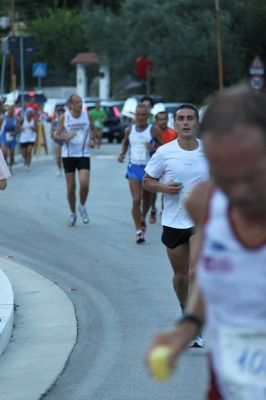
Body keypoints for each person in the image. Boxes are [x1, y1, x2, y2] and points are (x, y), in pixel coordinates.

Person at [146, 88, 266, 399]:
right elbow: (207, 278)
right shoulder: (204, 202)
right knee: (189, 272)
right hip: (227, 364)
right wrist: (187, 327)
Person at [143, 104, 209, 346]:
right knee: (180, 276)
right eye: (181, 119)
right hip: (173, 221)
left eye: (190, 119)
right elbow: (147, 181)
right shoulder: (164, 152)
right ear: (175, 123)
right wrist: (163, 188)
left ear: (196, 123)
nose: (185, 123)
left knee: (194, 273)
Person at [118, 103, 163, 243]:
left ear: (148, 116)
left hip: (149, 170)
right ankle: (139, 231)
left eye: (144, 115)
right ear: (135, 116)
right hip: (133, 169)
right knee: (136, 199)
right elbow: (125, 143)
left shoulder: (153, 130)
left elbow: (164, 149)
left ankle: (143, 218)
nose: (141, 117)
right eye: (138, 115)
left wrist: (153, 149)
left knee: (147, 202)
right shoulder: (129, 130)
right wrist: (122, 154)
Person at [53, 94, 96, 226]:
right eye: (77, 102)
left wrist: (93, 140)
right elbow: (55, 135)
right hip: (69, 155)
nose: (80, 104)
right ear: (71, 105)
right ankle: (73, 213)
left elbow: (93, 130)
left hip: (83, 153)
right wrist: (66, 137)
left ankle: (82, 206)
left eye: (81, 102)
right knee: (71, 187)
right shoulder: (64, 117)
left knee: (84, 184)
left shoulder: (87, 115)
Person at [149, 111, 178, 223]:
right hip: (155, 164)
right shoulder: (152, 132)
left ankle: (164, 210)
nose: (162, 122)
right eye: (160, 119)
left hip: (170, 164)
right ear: (156, 121)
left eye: (164, 119)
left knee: (166, 188)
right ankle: (152, 209)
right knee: (153, 189)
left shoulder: (173, 133)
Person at [0, 105, 19, 173]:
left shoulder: (15, 119)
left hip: (12, 138)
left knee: (12, 154)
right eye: (9, 110)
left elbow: (18, 129)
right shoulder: (2, 118)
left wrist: (15, 132)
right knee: (5, 153)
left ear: (13, 111)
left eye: (12, 110)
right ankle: (4, 168)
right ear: (7, 111)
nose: (10, 111)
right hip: (3, 137)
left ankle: (10, 166)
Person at [50, 104, 65, 176]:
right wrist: (54, 133)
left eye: (61, 112)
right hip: (57, 140)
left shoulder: (66, 120)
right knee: (57, 157)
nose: (59, 113)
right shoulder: (54, 121)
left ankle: (64, 167)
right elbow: (51, 130)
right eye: (58, 112)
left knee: (63, 156)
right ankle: (59, 169)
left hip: (64, 140)